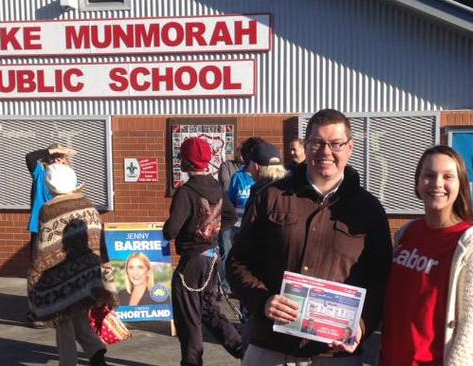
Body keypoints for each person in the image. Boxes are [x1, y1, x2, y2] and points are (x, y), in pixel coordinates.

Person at [227, 108, 392, 365]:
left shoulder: (368, 211)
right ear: (307, 145)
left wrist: (362, 324)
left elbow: (380, 281)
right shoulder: (271, 197)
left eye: (336, 143)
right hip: (271, 345)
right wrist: (263, 300)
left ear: (350, 147)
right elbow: (237, 263)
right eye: (317, 143)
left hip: (334, 354)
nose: (326, 152)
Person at [381, 145, 473, 366]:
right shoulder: (406, 233)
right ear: (417, 182)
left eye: (448, 177)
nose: (437, 184)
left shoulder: (472, 246)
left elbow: (472, 326)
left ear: (460, 184)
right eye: (429, 175)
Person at [163, 137, 242, 366]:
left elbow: (171, 230)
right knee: (209, 310)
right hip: (212, 257)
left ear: (186, 162)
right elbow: (230, 215)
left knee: (188, 317)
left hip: (192, 262)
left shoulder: (185, 192)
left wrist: (196, 231)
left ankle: (192, 362)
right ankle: (243, 349)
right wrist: (212, 231)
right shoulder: (216, 186)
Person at [27, 163, 115, 366]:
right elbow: (99, 242)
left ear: (50, 186)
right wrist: (105, 275)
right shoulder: (88, 206)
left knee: (63, 321)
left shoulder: (49, 210)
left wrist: (35, 280)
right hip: (88, 272)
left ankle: (68, 362)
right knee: (80, 315)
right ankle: (96, 352)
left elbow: (43, 249)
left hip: (63, 276)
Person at [25, 143, 77, 329]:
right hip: (40, 227)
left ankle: (57, 309)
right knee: (38, 270)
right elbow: (30, 157)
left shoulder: (70, 177)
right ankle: (37, 311)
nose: (57, 159)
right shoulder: (40, 173)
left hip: (61, 228)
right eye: (54, 157)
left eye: (60, 156)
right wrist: (51, 150)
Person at [219, 137, 264, 295]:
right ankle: (229, 288)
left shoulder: (267, 179)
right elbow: (230, 200)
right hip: (238, 226)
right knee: (233, 258)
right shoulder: (238, 176)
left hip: (258, 228)